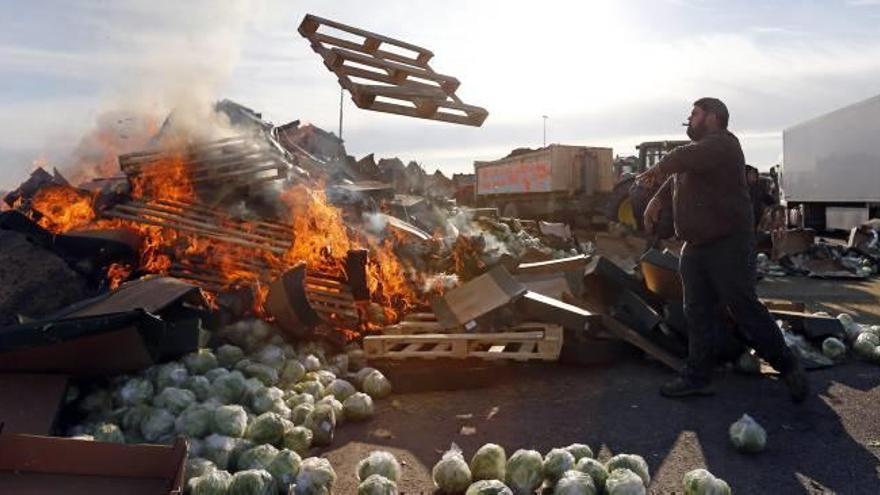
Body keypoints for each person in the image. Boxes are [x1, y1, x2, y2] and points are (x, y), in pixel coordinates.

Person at [635, 97, 808, 402]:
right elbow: (681, 173)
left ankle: (788, 365)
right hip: (696, 245)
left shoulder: (723, 145)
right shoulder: (699, 156)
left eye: (694, 115)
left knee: (743, 306)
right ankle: (697, 376)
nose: (689, 120)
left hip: (728, 242)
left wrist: (659, 167)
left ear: (713, 117)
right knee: (697, 312)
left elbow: (683, 158)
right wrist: (658, 198)